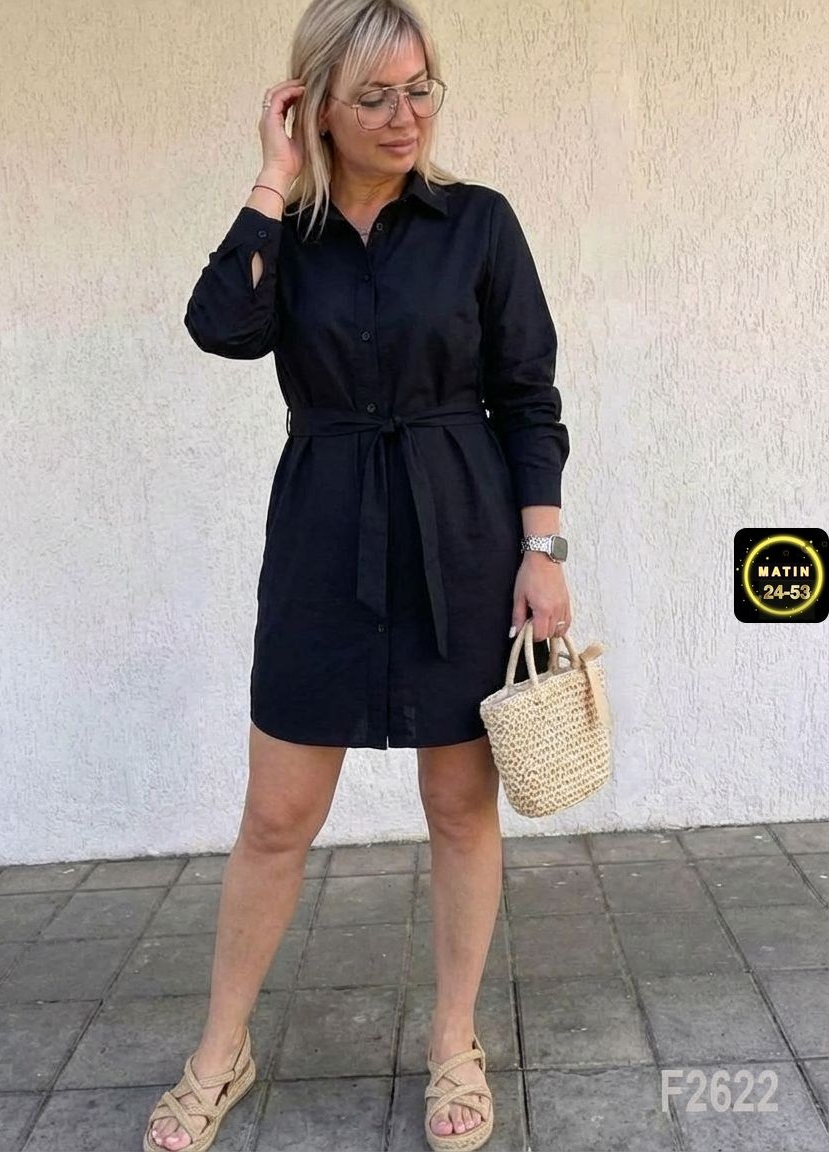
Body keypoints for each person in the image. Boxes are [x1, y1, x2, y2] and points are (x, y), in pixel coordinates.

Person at [144, 1, 572, 1149]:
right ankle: (220, 1051)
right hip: (324, 540)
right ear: (315, 106)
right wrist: (271, 179)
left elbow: (528, 397)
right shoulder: (288, 235)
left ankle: (453, 1042)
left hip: (461, 538)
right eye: (372, 95)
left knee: (459, 808)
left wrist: (542, 552)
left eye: (419, 88)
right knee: (276, 816)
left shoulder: (479, 224)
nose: (403, 114)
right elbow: (220, 328)